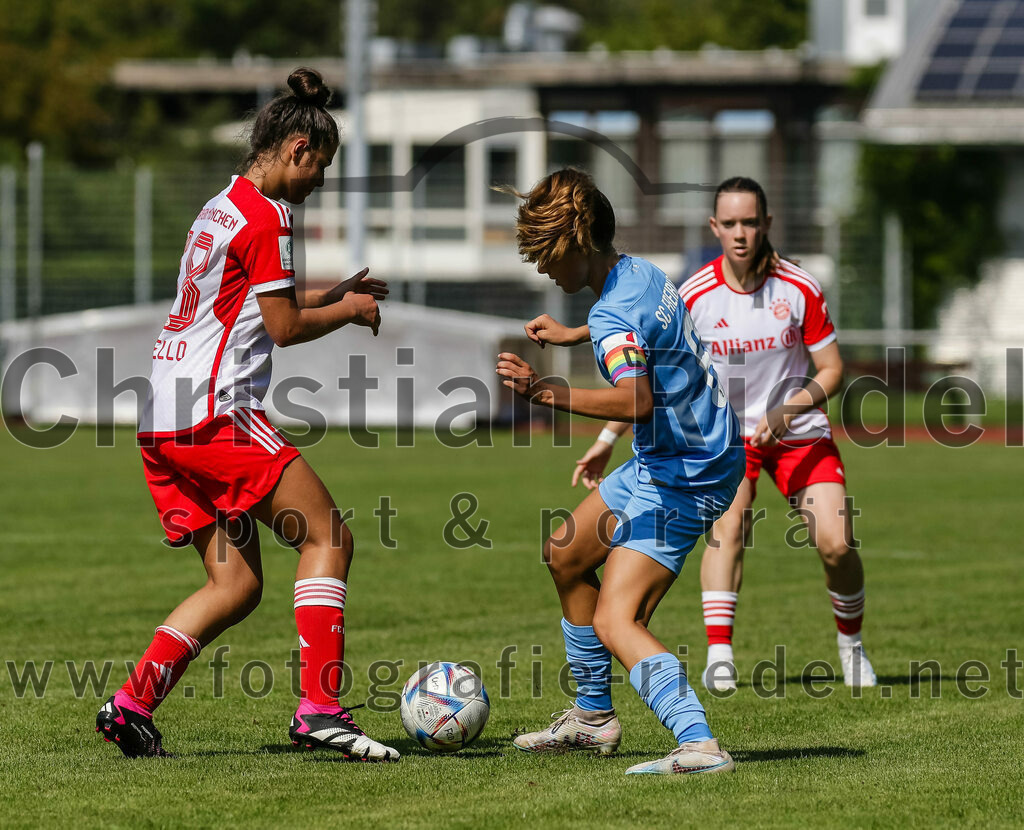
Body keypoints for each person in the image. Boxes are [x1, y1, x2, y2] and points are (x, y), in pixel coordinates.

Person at [95, 68, 400, 761]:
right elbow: (285, 327)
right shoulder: (272, 218)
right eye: (318, 168)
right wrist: (348, 310)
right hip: (215, 412)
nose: (319, 183)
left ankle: (131, 702)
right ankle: (321, 707)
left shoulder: (222, 206)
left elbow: (248, 299)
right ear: (296, 149)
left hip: (162, 419)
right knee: (329, 539)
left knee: (235, 583)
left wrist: (333, 289)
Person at [578, 176, 876, 693]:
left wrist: (789, 408)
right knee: (727, 528)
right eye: (730, 223)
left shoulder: (798, 286)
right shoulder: (694, 293)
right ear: (714, 226)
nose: (741, 233)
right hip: (724, 437)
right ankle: (720, 654)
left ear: (767, 224)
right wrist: (606, 440)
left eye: (750, 222)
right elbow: (648, 367)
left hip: (798, 431)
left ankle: (851, 644)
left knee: (836, 542)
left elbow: (831, 370)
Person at [495, 168, 744, 776]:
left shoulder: (612, 317)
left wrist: (543, 391)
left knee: (615, 617)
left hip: (687, 472)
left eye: (546, 257)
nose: (542, 270)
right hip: (677, 454)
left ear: (576, 246)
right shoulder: (639, 272)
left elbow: (637, 401)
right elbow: (639, 327)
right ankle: (592, 716)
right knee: (567, 554)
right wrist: (575, 332)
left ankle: (699, 744)